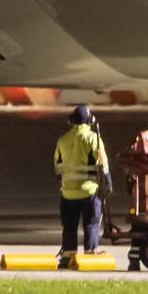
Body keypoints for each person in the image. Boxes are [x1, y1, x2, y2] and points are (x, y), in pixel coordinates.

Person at [54, 103, 110, 265]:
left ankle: (67, 257)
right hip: (89, 191)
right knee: (91, 224)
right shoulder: (93, 138)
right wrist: (108, 183)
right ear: (89, 120)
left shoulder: (63, 140)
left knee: (69, 226)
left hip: (68, 192)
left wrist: (65, 183)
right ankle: (89, 255)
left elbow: (57, 167)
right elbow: (102, 164)